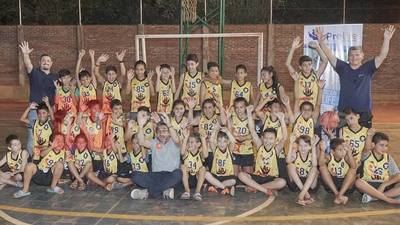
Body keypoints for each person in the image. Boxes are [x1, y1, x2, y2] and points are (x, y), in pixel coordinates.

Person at [314, 25, 396, 128]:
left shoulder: (368, 68)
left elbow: (382, 55)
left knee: (364, 141)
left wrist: (386, 39)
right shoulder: (343, 68)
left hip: (364, 112)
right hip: (344, 113)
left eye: (357, 55)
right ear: (348, 57)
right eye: (351, 55)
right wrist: (321, 43)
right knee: (343, 142)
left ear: (362, 56)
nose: (354, 57)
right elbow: (330, 55)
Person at [130, 112, 183, 200]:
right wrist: (140, 126)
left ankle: (147, 193)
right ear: (157, 134)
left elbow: (177, 140)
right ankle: (164, 191)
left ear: (169, 133)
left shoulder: (175, 142)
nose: (162, 134)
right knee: (135, 175)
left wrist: (169, 124)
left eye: (164, 131)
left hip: (169, 175)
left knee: (178, 173)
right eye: (159, 132)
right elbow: (141, 142)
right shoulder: (154, 142)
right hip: (155, 176)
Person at [238, 105, 287, 196]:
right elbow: (252, 130)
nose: (268, 141)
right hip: (257, 176)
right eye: (266, 138)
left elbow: (284, 138)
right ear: (262, 138)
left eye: (271, 138)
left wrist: (282, 120)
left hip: (270, 178)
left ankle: (255, 187)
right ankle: (264, 189)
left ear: (275, 140)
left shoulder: (276, 149)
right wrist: (249, 113)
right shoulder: (259, 146)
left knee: (282, 182)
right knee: (241, 175)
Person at [19, 41, 57, 156]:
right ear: (40, 63)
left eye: (48, 61)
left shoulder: (55, 77)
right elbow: (28, 64)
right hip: (35, 111)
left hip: (49, 111)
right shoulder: (34, 73)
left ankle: (46, 159)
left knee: (49, 136)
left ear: (51, 63)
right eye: (44, 60)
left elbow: (63, 90)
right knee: (32, 136)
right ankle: (31, 160)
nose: (46, 62)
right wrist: (25, 54)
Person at [13, 134, 66, 198]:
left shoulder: (65, 153)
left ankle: (53, 187)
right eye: (57, 140)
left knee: (60, 164)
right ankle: (25, 190)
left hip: (50, 177)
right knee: (29, 165)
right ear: (51, 142)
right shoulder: (48, 149)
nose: (59, 142)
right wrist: (51, 147)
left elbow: (69, 165)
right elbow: (42, 154)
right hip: (39, 174)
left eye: (62, 141)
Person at [355, 132, 400, 204]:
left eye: (386, 145)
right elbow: (366, 148)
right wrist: (369, 136)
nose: (384, 148)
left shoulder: (388, 157)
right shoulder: (366, 155)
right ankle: (389, 200)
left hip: (384, 186)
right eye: (381, 145)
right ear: (373, 145)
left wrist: (384, 184)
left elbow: (398, 176)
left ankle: (373, 198)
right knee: (358, 182)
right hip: (369, 185)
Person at [285, 37, 328, 113]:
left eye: (309, 64)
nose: (308, 67)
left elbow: (325, 61)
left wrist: (317, 47)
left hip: (313, 109)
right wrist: (293, 48)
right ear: (300, 67)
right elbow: (288, 64)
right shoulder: (298, 76)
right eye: (305, 65)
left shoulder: (316, 75)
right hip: (300, 109)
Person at [319, 138, 356, 205]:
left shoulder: (346, 157)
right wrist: (322, 150)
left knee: (353, 170)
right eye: (340, 150)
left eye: (344, 149)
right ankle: (337, 194)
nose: (343, 152)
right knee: (322, 168)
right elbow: (320, 164)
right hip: (332, 185)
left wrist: (349, 152)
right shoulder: (329, 157)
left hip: (345, 184)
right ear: (333, 152)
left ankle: (339, 195)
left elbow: (353, 166)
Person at [286, 134, 320, 205]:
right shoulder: (295, 154)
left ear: (310, 147)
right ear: (298, 146)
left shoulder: (311, 155)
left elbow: (314, 164)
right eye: (301, 145)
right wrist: (291, 144)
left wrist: (314, 147)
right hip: (297, 184)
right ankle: (305, 194)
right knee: (290, 165)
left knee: (314, 168)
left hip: (310, 184)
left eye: (306, 146)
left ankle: (301, 195)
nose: (303, 148)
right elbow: (288, 161)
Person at [205, 126, 237, 196]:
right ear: (216, 142)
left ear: (228, 142)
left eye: (224, 141)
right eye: (219, 141)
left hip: (226, 177)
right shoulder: (215, 149)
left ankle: (215, 186)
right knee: (206, 174)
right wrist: (215, 130)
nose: (222, 144)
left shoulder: (229, 150)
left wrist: (228, 132)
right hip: (216, 176)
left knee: (233, 181)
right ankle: (224, 188)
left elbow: (233, 141)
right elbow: (211, 140)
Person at [20, 98, 54, 163]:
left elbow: (53, 119)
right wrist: (29, 108)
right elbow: (22, 119)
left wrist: (48, 105)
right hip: (36, 151)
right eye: (39, 113)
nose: (41, 115)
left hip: (46, 151)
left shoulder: (50, 123)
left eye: (44, 113)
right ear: (37, 114)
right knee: (34, 168)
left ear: (48, 113)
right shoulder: (35, 122)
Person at [93, 50, 126, 115]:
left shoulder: (118, 83)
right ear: (106, 75)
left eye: (113, 74)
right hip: (106, 112)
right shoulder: (104, 83)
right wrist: (98, 61)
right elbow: (96, 73)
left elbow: (123, 73)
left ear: (116, 75)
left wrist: (121, 61)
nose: (111, 76)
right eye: (109, 74)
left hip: (117, 112)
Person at [180, 130, 208, 201]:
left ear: (198, 144)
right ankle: (187, 191)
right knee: (183, 166)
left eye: (192, 142)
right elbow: (182, 152)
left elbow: (206, 155)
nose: (189, 144)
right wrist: (185, 138)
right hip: (187, 179)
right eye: (188, 142)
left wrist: (203, 140)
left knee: (203, 168)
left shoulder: (200, 153)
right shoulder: (186, 153)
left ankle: (197, 192)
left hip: (197, 179)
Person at [75, 49, 97, 114]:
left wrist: (92, 57)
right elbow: (76, 73)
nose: (85, 81)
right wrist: (80, 58)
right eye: (83, 80)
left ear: (90, 78)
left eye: (87, 79)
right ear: (81, 81)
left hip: (93, 112)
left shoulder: (93, 85)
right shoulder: (81, 87)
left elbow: (93, 71)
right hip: (83, 112)